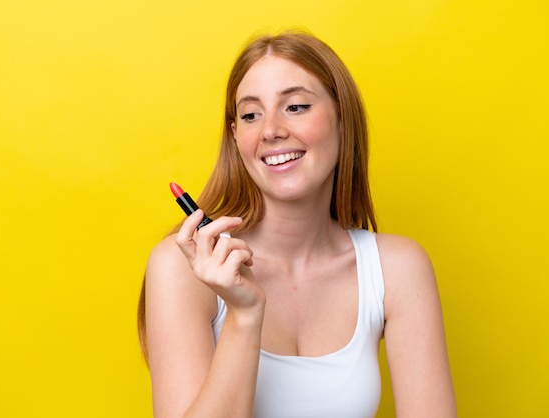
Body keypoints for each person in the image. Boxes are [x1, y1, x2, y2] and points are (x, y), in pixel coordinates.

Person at [137, 31, 456, 418]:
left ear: (342, 117)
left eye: (296, 107)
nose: (270, 130)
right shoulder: (184, 268)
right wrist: (244, 314)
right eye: (251, 114)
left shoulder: (398, 268)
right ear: (237, 136)